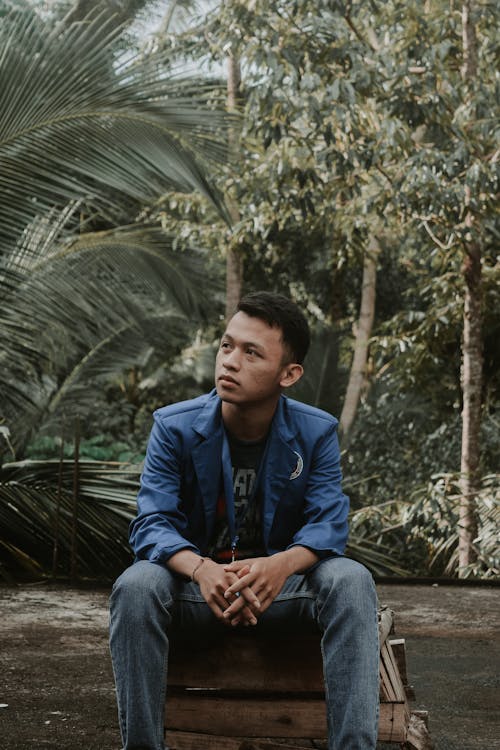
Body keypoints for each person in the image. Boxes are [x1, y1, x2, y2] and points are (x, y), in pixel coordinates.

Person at [109, 291, 380, 750]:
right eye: (227, 345)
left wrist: (280, 566)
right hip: (196, 592)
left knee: (351, 579)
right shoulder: (174, 427)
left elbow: (329, 525)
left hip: (281, 593)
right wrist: (201, 569)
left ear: (289, 374)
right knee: (136, 587)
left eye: (251, 353)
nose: (230, 362)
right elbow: (151, 523)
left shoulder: (315, 433)